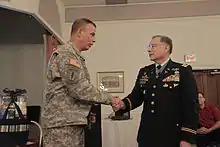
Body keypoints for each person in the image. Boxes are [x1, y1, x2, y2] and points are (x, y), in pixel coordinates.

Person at [41, 18, 120, 147]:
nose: (94, 40)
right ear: (79, 33)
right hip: (61, 125)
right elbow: (80, 89)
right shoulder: (67, 54)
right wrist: (110, 99)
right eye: (92, 34)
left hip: (69, 122)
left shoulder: (75, 56)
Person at [114, 35, 199, 147]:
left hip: (172, 135)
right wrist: (122, 104)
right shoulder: (145, 72)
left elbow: (190, 105)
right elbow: (136, 96)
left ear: (166, 48)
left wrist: (187, 137)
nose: (149, 49)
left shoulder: (182, 71)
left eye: (153, 46)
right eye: (149, 46)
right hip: (147, 135)